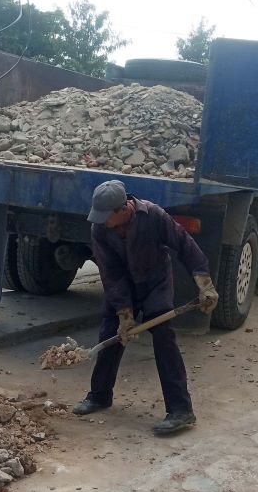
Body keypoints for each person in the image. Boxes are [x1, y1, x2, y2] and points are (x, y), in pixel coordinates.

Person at [72, 180, 219, 435]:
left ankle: (181, 410)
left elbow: (185, 245)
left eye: (109, 217)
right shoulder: (100, 229)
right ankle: (99, 395)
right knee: (111, 335)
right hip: (122, 286)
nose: (105, 222)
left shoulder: (153, 215)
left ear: (125, 207)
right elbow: (111, 272)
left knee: (164, 339)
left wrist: (204, 283)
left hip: (155, 282)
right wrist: (125, 314)